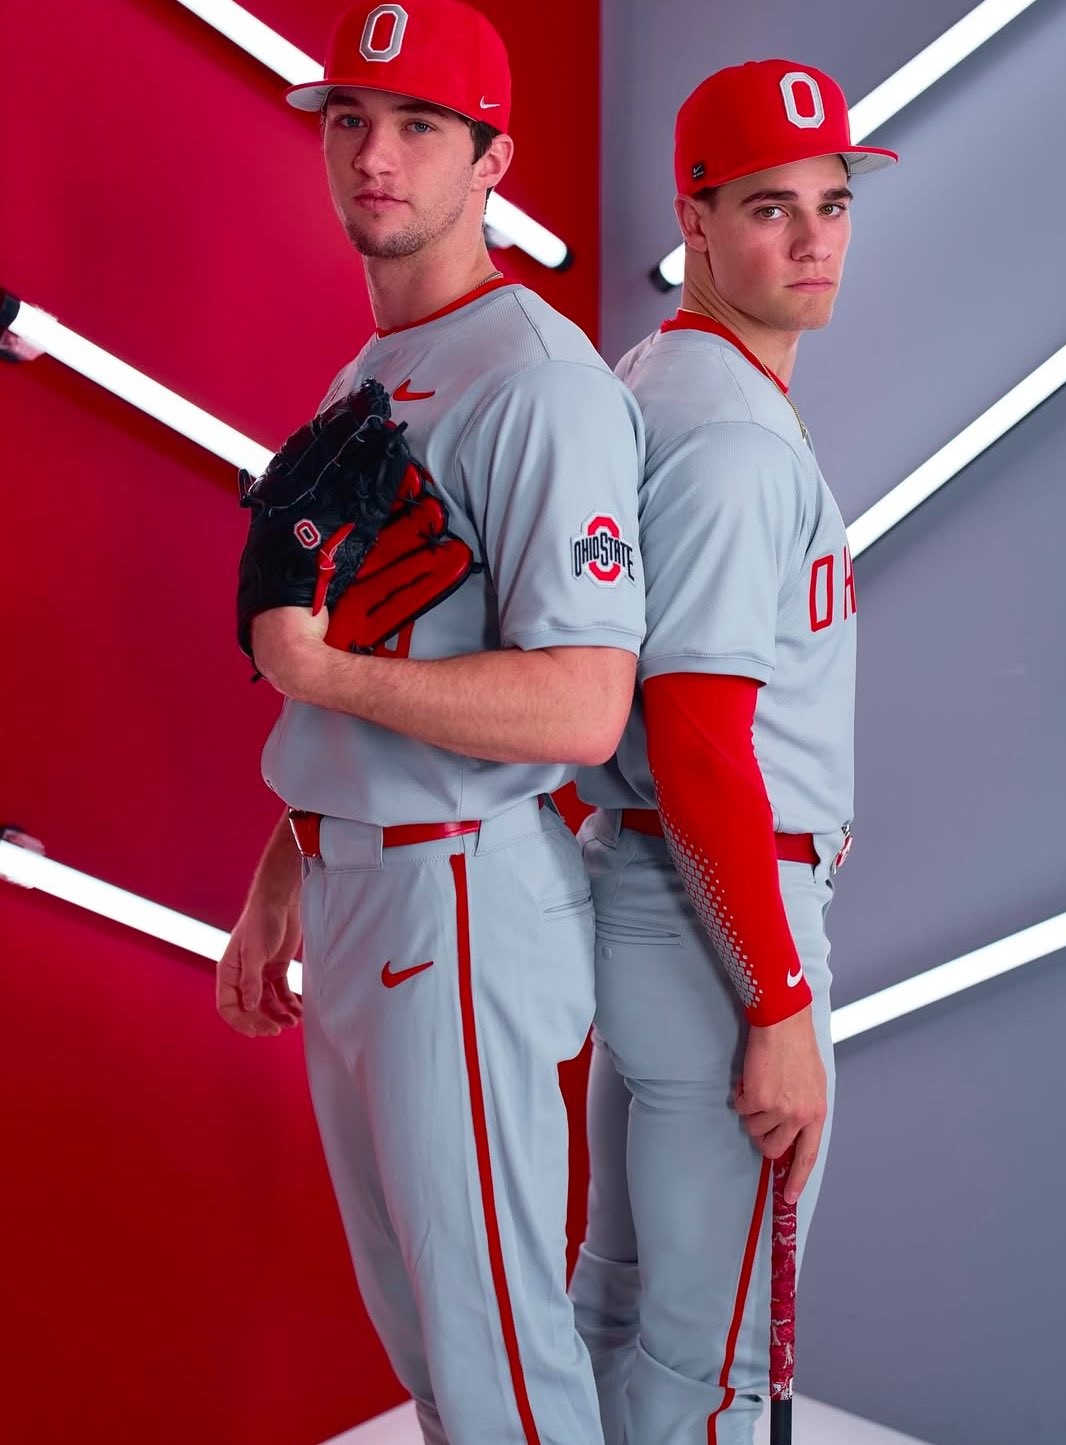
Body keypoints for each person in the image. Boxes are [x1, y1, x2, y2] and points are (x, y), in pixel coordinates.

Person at [214, 4, 645, 1443]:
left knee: (498, 1361)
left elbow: (585, 704)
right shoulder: (369, 371)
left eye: (418, 126)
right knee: (434, 1356)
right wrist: (286, 869)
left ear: (492, 161)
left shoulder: (539, 379)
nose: (374, 156)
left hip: (459, 893)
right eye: (350, 120)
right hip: (360, 883)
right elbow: (379, 641)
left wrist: (319, 677)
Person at [569, 59, 897, 1444]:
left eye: (833, 202)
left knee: (620, 1307)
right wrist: (776, 1004)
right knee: (718, 1366)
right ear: (694, 222)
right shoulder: (733, 443)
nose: (815, 239)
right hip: (723, 922)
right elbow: (699, 741)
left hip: (646, 898)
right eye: (771, 208)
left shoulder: (654, 380)